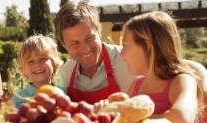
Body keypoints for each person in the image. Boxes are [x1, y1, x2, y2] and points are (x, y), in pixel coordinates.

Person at [55, 0, 207, 106]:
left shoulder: (129, 60)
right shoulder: (67, 72)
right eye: (74, 43)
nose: (85, 49)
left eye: (90, 38)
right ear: (63, 45)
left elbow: (167, 64)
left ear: (99, 32)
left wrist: (199, 73)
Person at [120, 11, 205, 123]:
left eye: (125, 45)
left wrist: (133, 118)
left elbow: (182, 121)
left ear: (147, 46)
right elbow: (120, 118)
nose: (121, 54)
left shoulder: (181, 80)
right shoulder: (137, 84)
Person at [12, 34, 64, 108]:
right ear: (23, 69)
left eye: (43, 59)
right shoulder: (17, 99)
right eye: (30, 61)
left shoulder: (63, 93)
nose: (37, 65)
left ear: (54, 63)